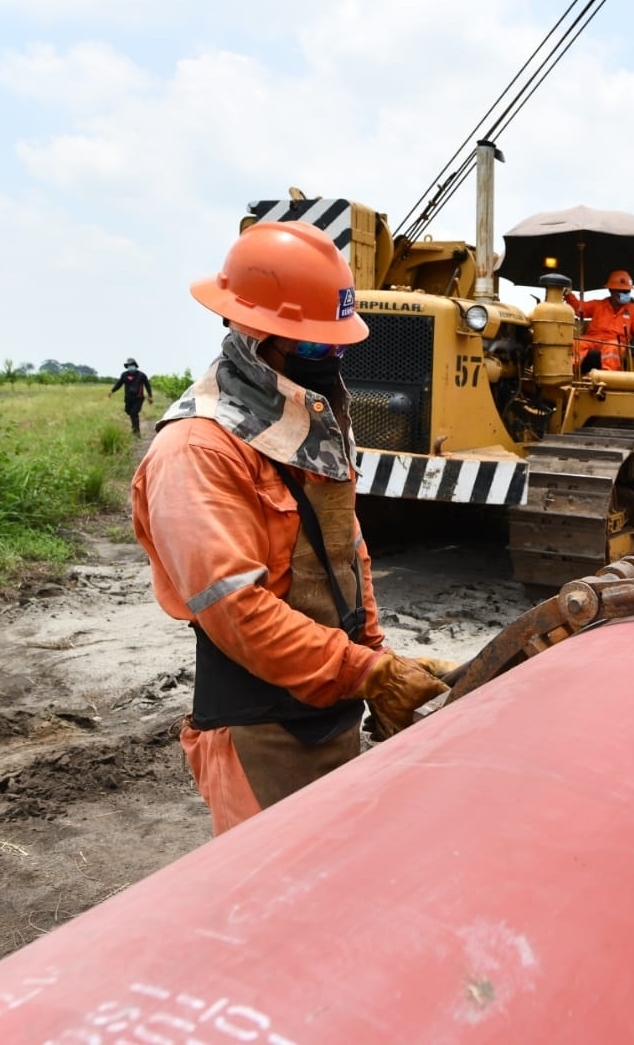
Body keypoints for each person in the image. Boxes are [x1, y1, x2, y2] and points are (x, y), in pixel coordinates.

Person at [130, 221, 450, 835]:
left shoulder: (300, 432)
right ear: (252, 339)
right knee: (268, 901)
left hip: (326, 706)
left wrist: (377, 661)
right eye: (311, 349)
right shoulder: (200, 450)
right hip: (260, 728)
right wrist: (366, 674)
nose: (329, 361)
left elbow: (345, 554)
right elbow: (236, 610)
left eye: (336, 347)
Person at [565, 269, 634, 373]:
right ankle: (568, 374)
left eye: (627, 291)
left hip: (617, 343)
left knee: (612, 347)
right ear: (611, 291)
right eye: (621, 291)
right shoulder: (599, 305)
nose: (625, 294)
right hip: (593, 339)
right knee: (574, 343)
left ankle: (607, 378)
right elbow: (579, 309)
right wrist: (569, 295)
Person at [109, 357, 154, 435]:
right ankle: (134, 427)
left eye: (132, 365)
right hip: (128, 398)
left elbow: (147, 386)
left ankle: (136, 432)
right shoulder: (124, 375)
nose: (130, 366)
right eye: (129, 365)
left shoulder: (141, 375)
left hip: (138, 398)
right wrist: (112, 391)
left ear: (135, 365)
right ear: (127, 366)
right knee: (128, 411)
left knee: (134, 413)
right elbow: (119, 384)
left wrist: (150, 396)